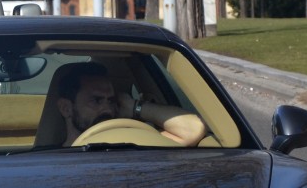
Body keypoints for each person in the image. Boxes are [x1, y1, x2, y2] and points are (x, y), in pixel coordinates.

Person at [57, 63, 206, 147]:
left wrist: (135, 107)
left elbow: (193, 129)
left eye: (111, 100)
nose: (107, 109)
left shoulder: (131, 142)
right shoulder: (50, 161)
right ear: (66, 108)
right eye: (96, 100)